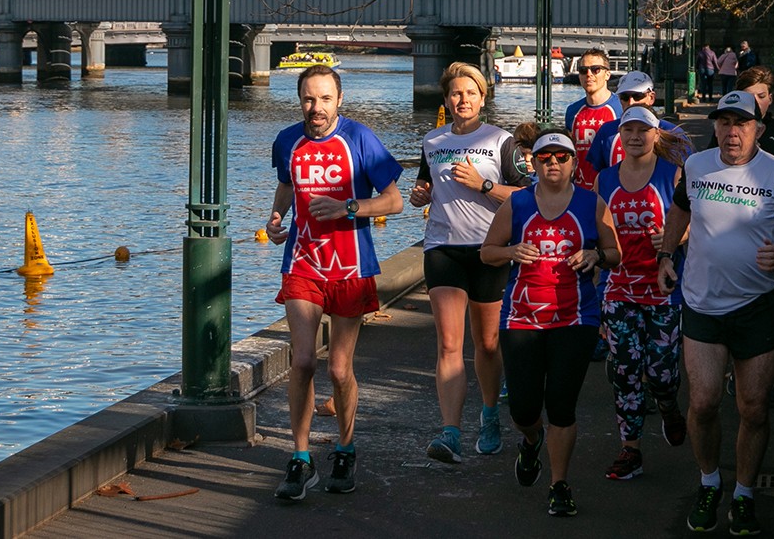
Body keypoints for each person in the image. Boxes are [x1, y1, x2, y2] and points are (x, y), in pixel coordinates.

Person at [655, 91, 774, 535]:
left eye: (741, 122)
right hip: (702, 304)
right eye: (723, 122)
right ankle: (709, 483)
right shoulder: (697, 167)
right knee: (703, 404)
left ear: (758, 129)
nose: (731, 131)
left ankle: (744, 494)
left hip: (756, 307)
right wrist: (667, 254)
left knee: (754, 408)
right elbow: (680, 210)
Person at [266, 65, 404, 501]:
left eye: (325, 99)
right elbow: (286, 185)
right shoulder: (288, 140)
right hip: (304, 263)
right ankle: (301, 457)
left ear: (338, 100)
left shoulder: (360, 138)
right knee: (303, 361)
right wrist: (275, 217)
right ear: (300, 100)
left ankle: (345, 447)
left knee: (339, 368)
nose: (316, 108)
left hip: (349, 267)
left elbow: (394, 200)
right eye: (309, 99)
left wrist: (349, 207)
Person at [480, 130, 621, 517]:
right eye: (545, 158)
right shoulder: (518, 204)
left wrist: (596, 255)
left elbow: (615, 253)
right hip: (522, 319)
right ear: (534, 162)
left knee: (561, 406)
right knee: (524, 409)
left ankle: (559, 484)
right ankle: (531, 440)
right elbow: (487, 252)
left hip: (575, 319)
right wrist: (510, 250)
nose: (553, 163)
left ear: (574, 163)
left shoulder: (592, 204)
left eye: (561, 157)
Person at [410, 62, 531, 463]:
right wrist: (421, 195)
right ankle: (450, 433)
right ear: (446, 99)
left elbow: (523, 196)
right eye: (456, 94)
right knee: (448, 343)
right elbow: (426, 185)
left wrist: (483, 184)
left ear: (483, 98)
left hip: (488, 249)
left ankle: (491, 413)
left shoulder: (501, 140)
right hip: (443, 247)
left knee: (488, 343)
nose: (463, 100)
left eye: (471, 93)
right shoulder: (432, 141)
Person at [593, 106, 690, 482]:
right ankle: (630, 449)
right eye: (628, 129)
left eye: (642, 130)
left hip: (663, 289)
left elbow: (692, 226)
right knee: (625, 372)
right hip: (618, 289)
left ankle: (668, 407)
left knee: (662, 372)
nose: (635, 136)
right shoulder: (604, 180)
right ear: (620, 135)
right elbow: (597, 235)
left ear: (655, 134)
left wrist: (672, 237)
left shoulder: (673, 174)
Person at [586, 71, 694, 176]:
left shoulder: (673, 132)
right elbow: (596, 172)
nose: (631, 102)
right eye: (624, 97)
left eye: (637, 96)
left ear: (651, 97)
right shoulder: (607, 131)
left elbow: (686, 174)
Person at [706, 66, 774, 166]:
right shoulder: (725, 130)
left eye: (761, 96)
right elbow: (710, 160)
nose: (755, 102)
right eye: (749, 97)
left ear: (770, 99)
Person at [562, 48, 624, 192]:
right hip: (581, 189)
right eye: (583, 70)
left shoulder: (621, 108)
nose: (589, 74)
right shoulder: (573, 111)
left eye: (596, 69)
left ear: (607, 74)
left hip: (614, 189)